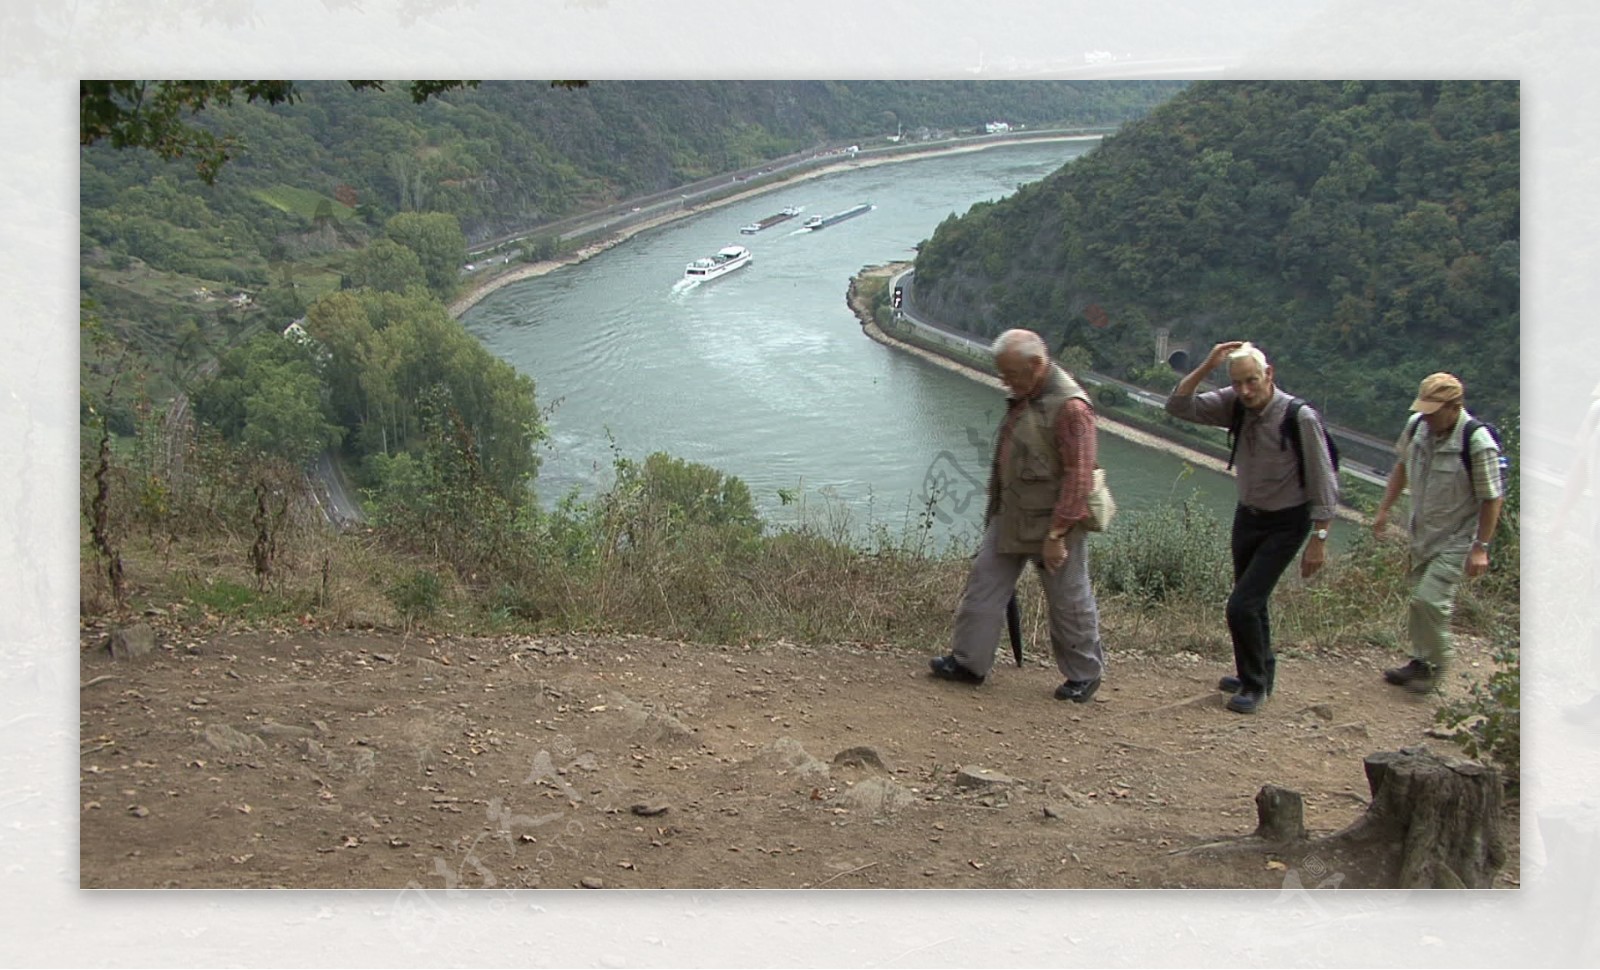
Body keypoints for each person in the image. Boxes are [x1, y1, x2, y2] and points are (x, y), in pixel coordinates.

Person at [928, 328, 1106, 702]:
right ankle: (968, 664)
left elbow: (1079, 476)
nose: (1004, 382)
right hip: (1012, 514)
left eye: (1010, 374)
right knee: (984, 585)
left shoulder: (1072, 407)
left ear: (1037, 366)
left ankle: (1084, 675)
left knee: (1068, 599)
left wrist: (1057, 534)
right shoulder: (1030, 394)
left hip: (1055, 522)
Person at [1164, 341, 1339, 714]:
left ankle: (1256, 686)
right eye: (1237, 382)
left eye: (1252, 381)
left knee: (1241, 605)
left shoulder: (1299, 417)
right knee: (1251, 601)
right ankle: (1253, 672)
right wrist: (1208, 364)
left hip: (1287, 522)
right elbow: (1178, 406)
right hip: (1248, 515)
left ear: (1269, 375)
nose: (1245, 390)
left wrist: (1319, 538)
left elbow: (1324, 481)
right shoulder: (1235, 403)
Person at [1372, 372, 1504, 694]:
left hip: (1458, 536)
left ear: (1454, 407)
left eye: (1434, 412)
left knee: (1430, 600)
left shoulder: (1476, 443)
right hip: (1424, 531)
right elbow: (1402, 466)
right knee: (1418, 602)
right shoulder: (1418, 427)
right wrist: (1384, 509)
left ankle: (1437, 667)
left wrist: (1480, 547)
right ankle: (1420, 660)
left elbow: (1491, 498)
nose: (1428, 418)